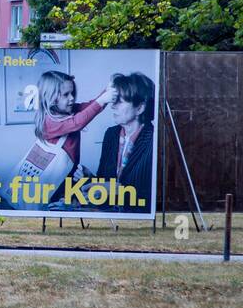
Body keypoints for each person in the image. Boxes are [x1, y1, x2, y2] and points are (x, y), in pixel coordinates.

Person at [30, 70, 117, 180]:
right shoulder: (48, 122)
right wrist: (102, 99)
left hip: (67, 174)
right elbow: (78, 122)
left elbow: (91, 106)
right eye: (66, 94)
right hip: (53, 177)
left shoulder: (69, 110)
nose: (71, 98)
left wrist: (106, 91)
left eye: (72, 93)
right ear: (50, 97)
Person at [95, 72, 156, 211]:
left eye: (120, 101)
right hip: (109, 216)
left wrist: (119, 190)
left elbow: (154, 194)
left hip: (139, 219)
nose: (112, 106)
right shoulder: (111, 134)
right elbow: (104, 181)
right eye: (113, 101)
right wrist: (89, 178)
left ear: (140, 108)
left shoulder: (154, 139)